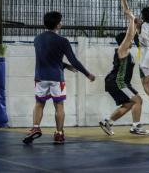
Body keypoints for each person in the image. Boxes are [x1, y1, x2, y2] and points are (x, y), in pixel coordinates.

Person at [23, 11, 95, 145]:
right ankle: (59, 134)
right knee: (59, 105)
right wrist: (87, 74)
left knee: (39, 103)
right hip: (56, 78)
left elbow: (47, 58)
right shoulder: (62, 41)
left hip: (40, 77)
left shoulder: (37, 39)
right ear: (58, 25)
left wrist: (65, 66)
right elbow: (74, 61)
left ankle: (36, 127)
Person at [99, 0, 149, 136]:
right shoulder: (122, 49)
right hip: (118, 82)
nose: (131, 38)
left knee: (129, 103)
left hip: (117, 81)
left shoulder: (126, 51)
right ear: (123, 41)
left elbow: (131, 30)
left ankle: (107, 122)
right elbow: (130, 32)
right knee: (138, 100)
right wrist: (131, 19)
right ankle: (136, 127)